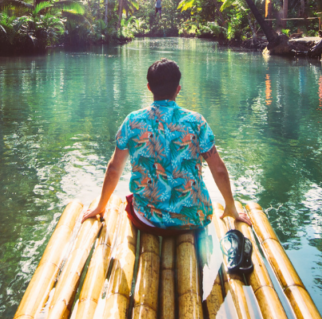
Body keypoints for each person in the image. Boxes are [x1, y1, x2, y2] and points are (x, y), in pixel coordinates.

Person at [81, 58, 251, 234]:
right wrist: (230, 206)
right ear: (178, 89)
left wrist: (100, 206)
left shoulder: (133, 121)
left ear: (149, 87)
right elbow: (219, 170)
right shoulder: (196, 122)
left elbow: (114, 168)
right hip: (193, 218)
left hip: (147, 219)